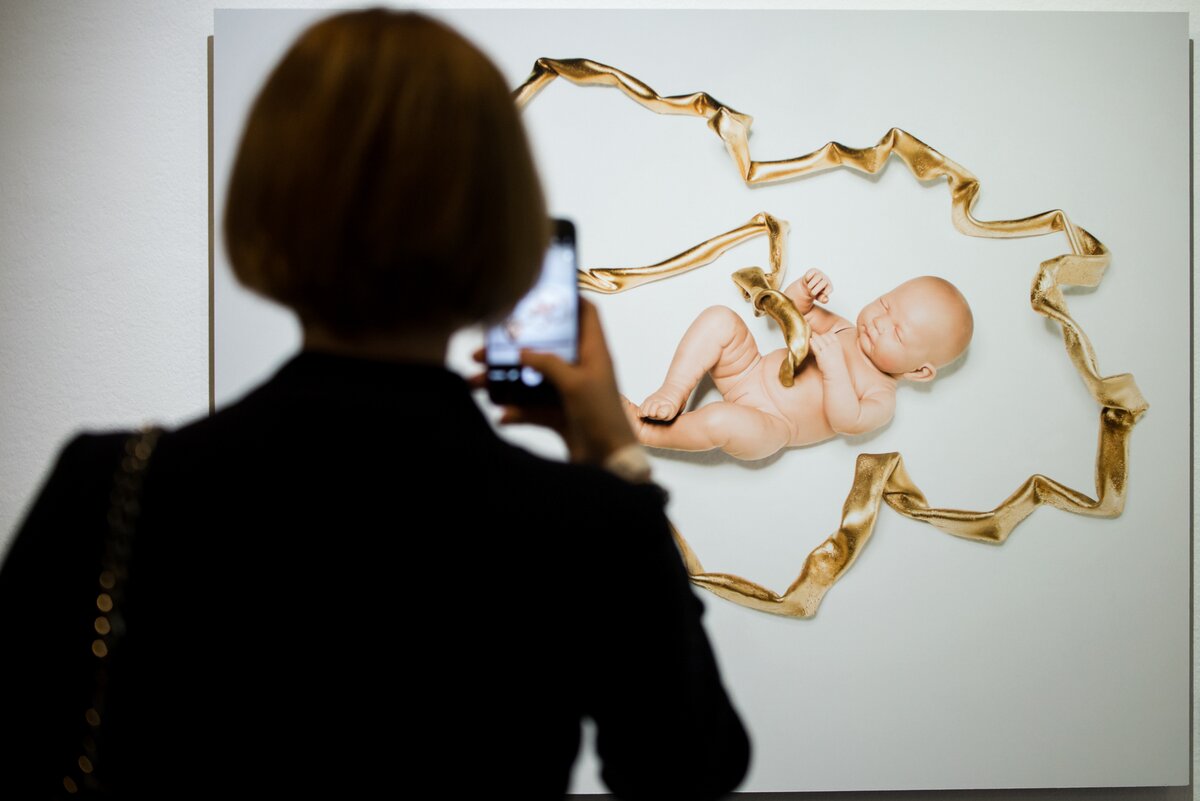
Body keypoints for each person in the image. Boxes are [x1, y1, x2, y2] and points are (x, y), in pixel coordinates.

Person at [0, 9, 750, 799]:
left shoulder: (108, 487)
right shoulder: (583, 527)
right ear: (504, 225)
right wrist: (612, 462)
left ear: (268, 197)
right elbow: (689, 774)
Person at [625, 269, 974, 460]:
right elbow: (791, 313)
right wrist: (804, 291)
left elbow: (846, 421)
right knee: (720, 319)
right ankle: (674, 389)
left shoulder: (882, 397)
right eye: (885, 305)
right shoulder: (844, 329)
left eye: (897, 333)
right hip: (747, 371)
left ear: (918, 371)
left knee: (719, 420)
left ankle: (647, 432)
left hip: (771, 424)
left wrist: (835, 367)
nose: (880, 323)